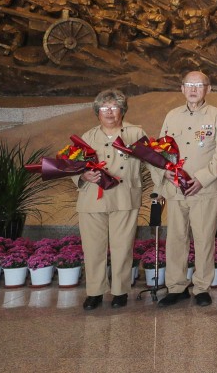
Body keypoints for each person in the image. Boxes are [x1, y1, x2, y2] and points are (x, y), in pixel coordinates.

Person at [154, 70, 217, 308]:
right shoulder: (172, 115)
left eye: (199, 85)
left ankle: (202, 287)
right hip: (176, 189)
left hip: (204, 190)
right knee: (176, 239)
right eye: (189, 85)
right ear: (182, 88)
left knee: (204, 239)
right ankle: (176, 287)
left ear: (208, 89)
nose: (193, 89)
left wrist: (202, 179)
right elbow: (161, 149)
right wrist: (164, 171)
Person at [76, 88, 145, 310]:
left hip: (125, 197)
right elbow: (73, 166)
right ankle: (94, 292)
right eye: (104, 108)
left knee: (122, 247)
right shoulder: (87, 137)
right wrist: (83, 176)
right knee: (93, 248)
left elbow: (154, 161)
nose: (109, 111)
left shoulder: (136, 133)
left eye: (114, 107)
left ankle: (120, 291)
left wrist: (165, 184)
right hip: (92, 200)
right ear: (97, 112)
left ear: (122, 110)